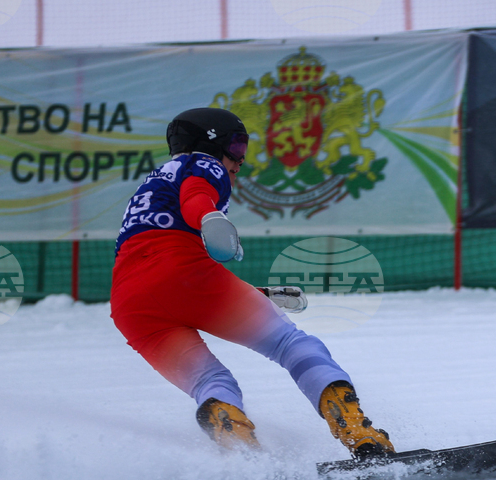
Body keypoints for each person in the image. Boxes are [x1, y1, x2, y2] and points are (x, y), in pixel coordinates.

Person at [109, 107, 395, 459]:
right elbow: (195, 199)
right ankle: (357, 432)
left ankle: (244, 456)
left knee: (210, 382)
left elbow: (156, 274)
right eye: (237, 146)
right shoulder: (203, 163)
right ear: (210, 143)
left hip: (129, 304)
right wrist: (209, 216)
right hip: (183, 275)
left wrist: (257, 294)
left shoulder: (151, 184)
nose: (240, 160)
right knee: (290, 343)